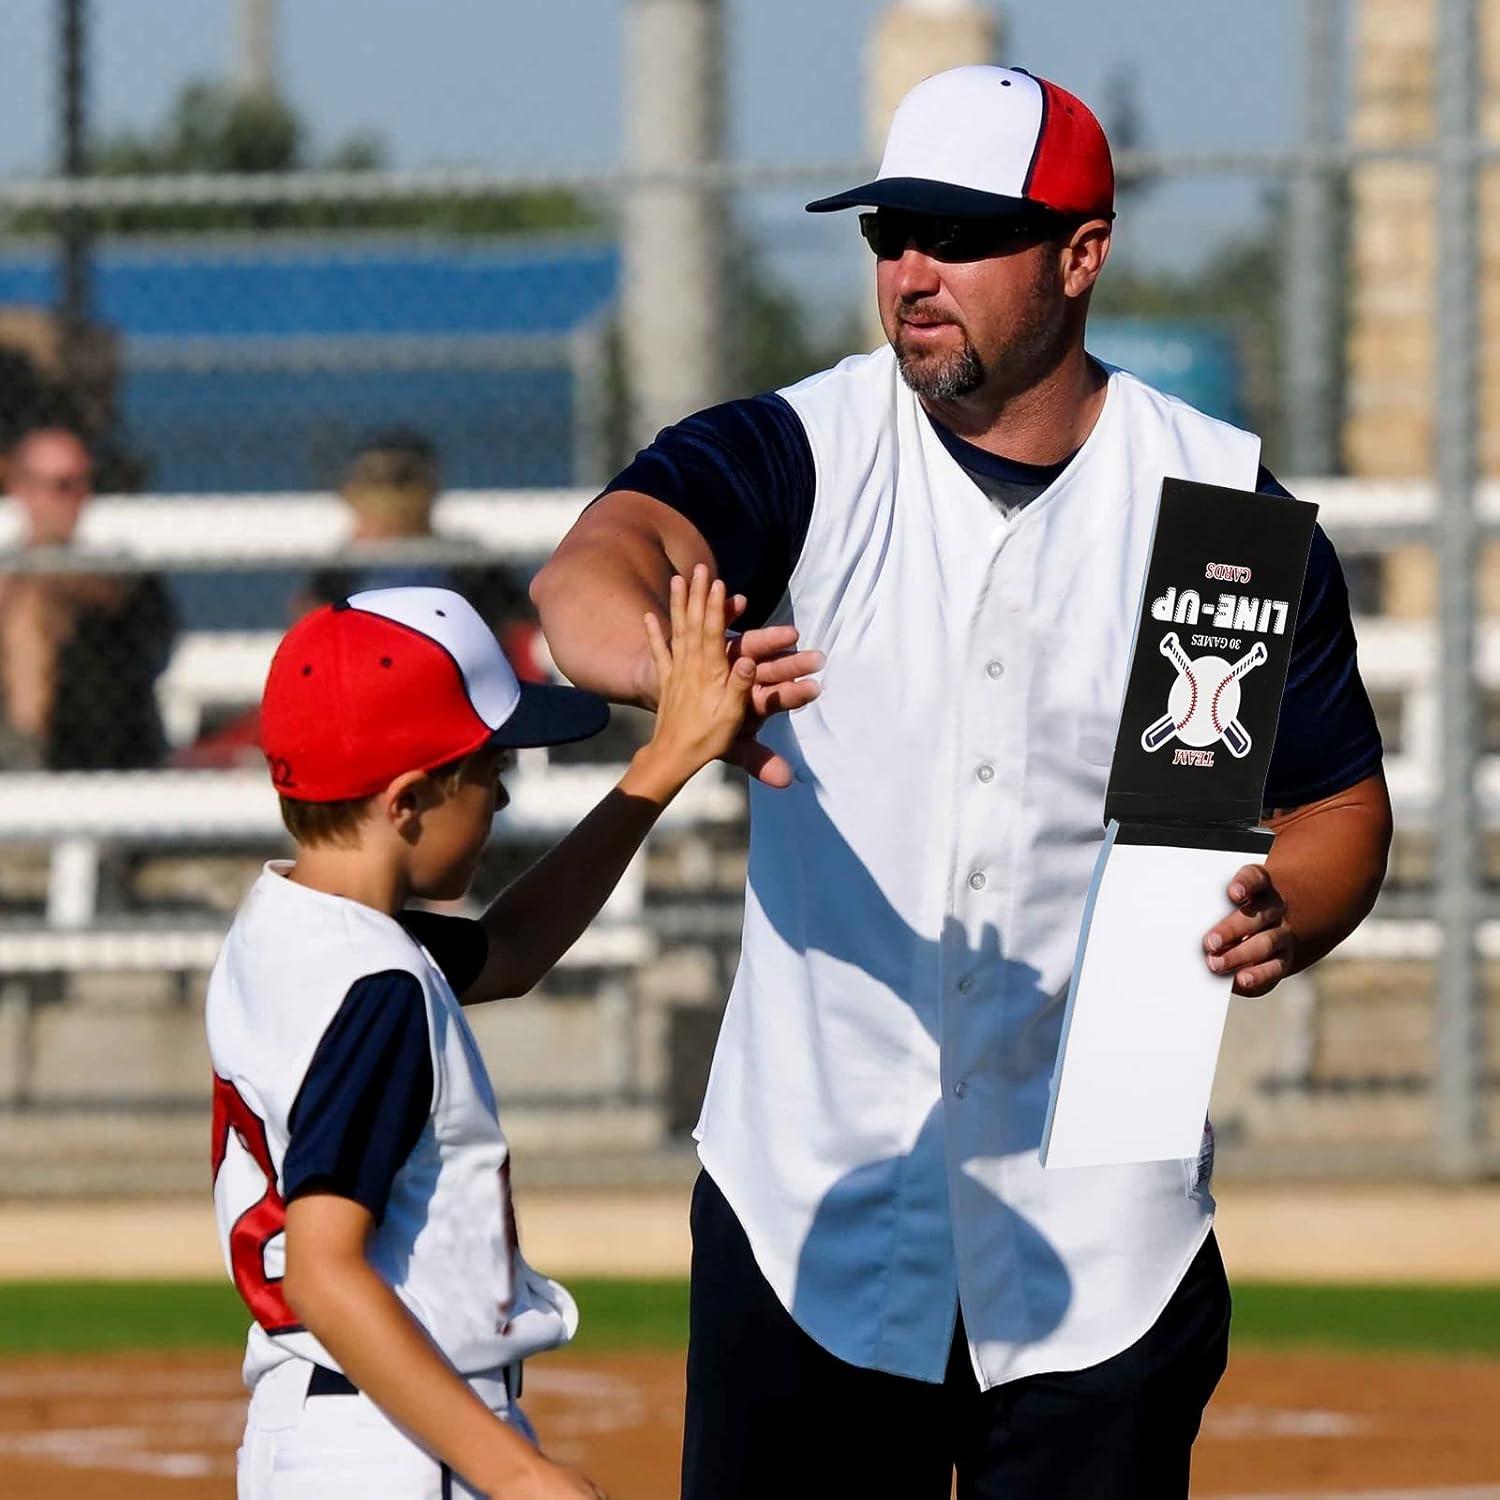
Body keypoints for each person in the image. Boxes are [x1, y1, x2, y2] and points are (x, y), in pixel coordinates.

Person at [531, 65, 1393, 1500]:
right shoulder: (803, 449)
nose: (913, 270)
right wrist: (665, 670)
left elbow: (1336, 806)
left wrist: (1289, 904)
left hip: (1102, 1224)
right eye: (889, 235)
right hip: (814, 1203)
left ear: (1082, 254)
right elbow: (593, 570)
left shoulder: (1221, 514)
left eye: (961, 232)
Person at [209, 571, 786, 1499]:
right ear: (405, 803)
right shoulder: (379, 985)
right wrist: (515, 1475)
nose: (504, 798)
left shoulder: (286, 923)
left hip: (322, 1433)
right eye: (488, 771)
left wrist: (665, 762)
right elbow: (324, 1268)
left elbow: (509, 952)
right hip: (397, 1444)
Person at [0, 423, 175, 770]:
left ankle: (25, 766)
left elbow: (118, 600)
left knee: (33, 611)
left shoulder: (114, 565)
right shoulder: (10, 571)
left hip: (102, 740)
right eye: (60, 487)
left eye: (82, 484)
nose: (74, 498)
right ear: (19, 488)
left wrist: (43, 584)